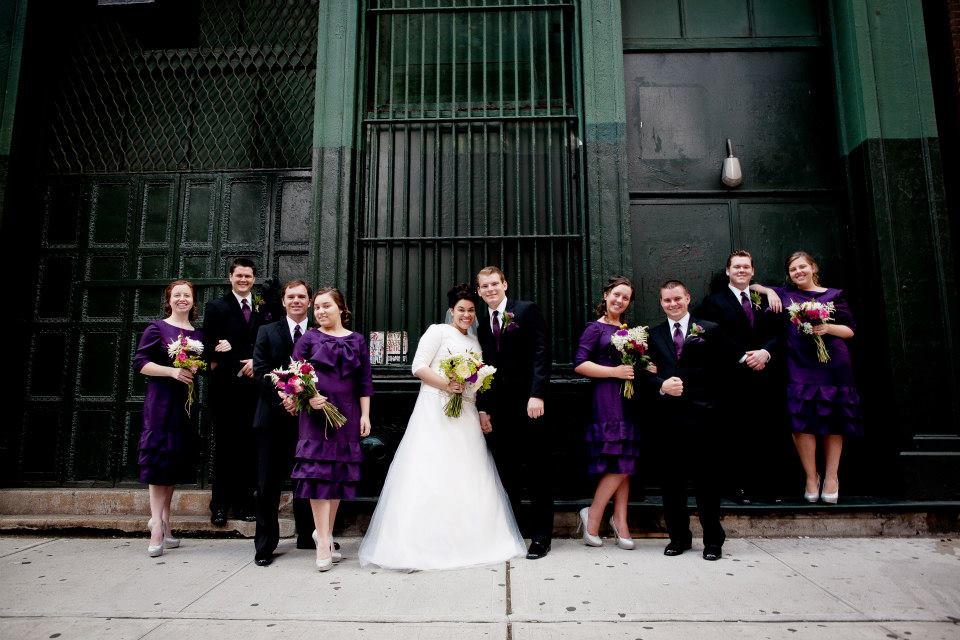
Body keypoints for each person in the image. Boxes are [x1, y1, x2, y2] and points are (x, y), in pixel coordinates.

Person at [358, 284, 525, 570]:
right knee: (431, 470)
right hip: (435, 410)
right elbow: (418, 367)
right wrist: (448, 384)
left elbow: (478, 382)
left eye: (471, 310)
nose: (466, 315)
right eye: (461, 310)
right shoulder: (438, 332)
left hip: (466, 413)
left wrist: (478, 405)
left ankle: (471, 540)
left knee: (468, 471)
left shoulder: (476, 342)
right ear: (451, 311)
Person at [755, 251, 861, 504]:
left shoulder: (834, 295)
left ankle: (832, 476)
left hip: (833, 364)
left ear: (813, 267)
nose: (798, 272)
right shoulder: (785, 294)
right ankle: (811, 477)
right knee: (801, 421)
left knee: (835, 419)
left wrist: (827, 327)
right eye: (793, 269)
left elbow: (850, 330)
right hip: (800, 363)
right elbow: (752, 286)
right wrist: (769, 291)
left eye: (802, 267)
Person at [289, 287, 373, 571]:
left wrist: (365, 415)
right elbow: (293, 376)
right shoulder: (309, 338)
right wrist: (308, 397)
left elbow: (364, 380)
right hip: (315, 415)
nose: (321, 311)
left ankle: (324, 532)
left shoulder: (357, 340)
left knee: (337, 475)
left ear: (341, 308)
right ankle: (324, 540)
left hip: (346, 414)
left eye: (326, 306)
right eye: (317, 307)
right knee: (318, 476)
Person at [642, 280, 725, 561]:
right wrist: (661, 385)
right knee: (672, 483)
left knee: (706, 483)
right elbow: (643, 374)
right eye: (667, 300)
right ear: (661, 303)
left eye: (677, 298)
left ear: (687, 298)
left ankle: (713, 541)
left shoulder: (709, 329)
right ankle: (679, 538)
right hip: (668, 420)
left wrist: (711, 406)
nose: (673, 304)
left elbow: (721, 372)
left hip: (703, 418)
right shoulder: (652, 335)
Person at [475, 266, 554, 560]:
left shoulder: (526, 310)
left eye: (494, 283)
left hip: (530, 405)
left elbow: (541, 353)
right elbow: (482, 370)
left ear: (505, 284)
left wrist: (537, 394)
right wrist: (484, 408)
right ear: (479, 291)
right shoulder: (482, 324)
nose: (490, 289)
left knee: (537, 471)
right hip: (499, 410)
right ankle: (515, 532)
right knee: (507, 472)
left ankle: (542, 537)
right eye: (485, 286)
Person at [697, 250, 786, 504]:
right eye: (736, 267)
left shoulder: (766, 299)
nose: (741, 270)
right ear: (728, 271)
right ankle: (738, 487)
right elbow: (708, 334)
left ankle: (766, 488)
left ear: (752, 271)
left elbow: (779, 331)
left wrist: (766, 352)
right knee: (736, 434)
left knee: (766, 432)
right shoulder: (713, 301)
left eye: (746, 266)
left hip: (765, 376)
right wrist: (741, 357)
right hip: (732, 378)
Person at [132, 279, 203, 557]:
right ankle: (155, 526)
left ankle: (167, 522)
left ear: (193, 301)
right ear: (169, 300)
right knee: (159, 460)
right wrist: (172, 371)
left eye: (187, 295)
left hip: (184, 404)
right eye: (177, 295)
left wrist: (199, 365)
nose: (182, 299)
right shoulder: (157, 328)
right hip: (161, 401)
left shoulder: (198, 333)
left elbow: (203, 365)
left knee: (172, 462)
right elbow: (140, 363)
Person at [250, 279, 317, 566]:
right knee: (268, 483)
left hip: (308, 419)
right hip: (272, 417)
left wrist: (301, 399)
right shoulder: (267, 331)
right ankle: (265, 544)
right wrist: (285, 397)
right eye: (291, 297)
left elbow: (323, 373)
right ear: (283, 301)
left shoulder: (318, 333)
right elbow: (261, 371)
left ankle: (308, 535)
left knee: (307, 477)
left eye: (301, 296)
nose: (296, 301)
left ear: (309, 301)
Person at [573, 276, 641, 549]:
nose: (619, 300)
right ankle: (593, 514)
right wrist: (614, 372)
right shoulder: (595, 329)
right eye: (616, 294)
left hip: (628, 399)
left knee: (625, 458)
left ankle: (620, 520)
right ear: (606, 295)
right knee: (617, 459)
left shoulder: (629, 331)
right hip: (606, 398)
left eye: (625, 298)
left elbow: (634, 364)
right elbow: (580, 364)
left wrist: (644, 365)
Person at [203, 257, 266, 526]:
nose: (243, 280)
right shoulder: (216, 307)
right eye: (239, 275)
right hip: (226, 390)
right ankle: (219, 506)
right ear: (230, 277)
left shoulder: (264, 308)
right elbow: (210, 347)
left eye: (248, 276)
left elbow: (269, 343)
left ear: (254, 279)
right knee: (225, 449)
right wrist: (238, 353)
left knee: (250, 449)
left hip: (254, 391)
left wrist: (256, 361)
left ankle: (244, 504)